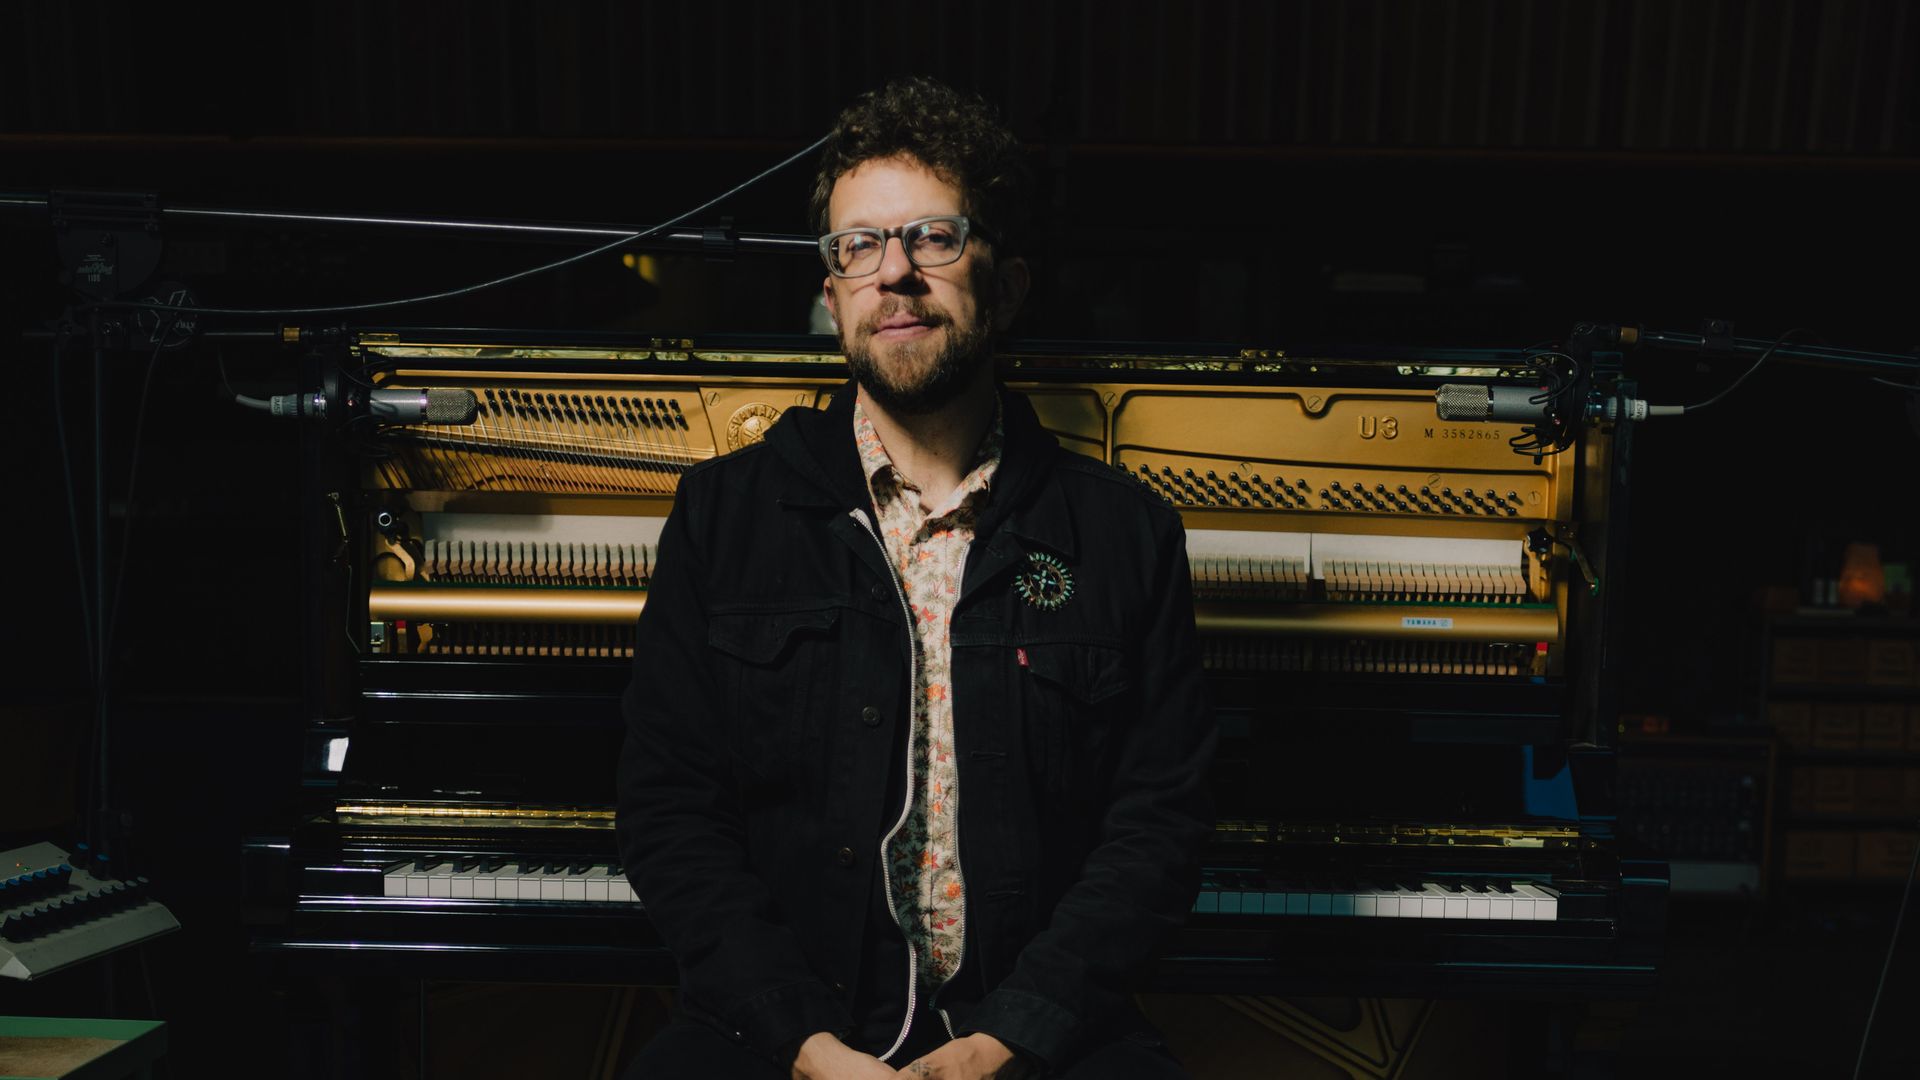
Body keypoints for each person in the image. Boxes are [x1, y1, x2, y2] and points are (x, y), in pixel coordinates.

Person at [617, 76, 1214, 1080]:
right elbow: (670, 813)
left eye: (933, 238)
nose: (894, 272)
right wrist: (805, 1043)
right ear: (833, 299)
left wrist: (1013, 1035)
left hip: (1037, 1036)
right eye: (859, 246)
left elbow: (1158, 828)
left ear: (1006, 286)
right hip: (782, 1032)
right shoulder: (724, 519)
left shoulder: (1125, 536)